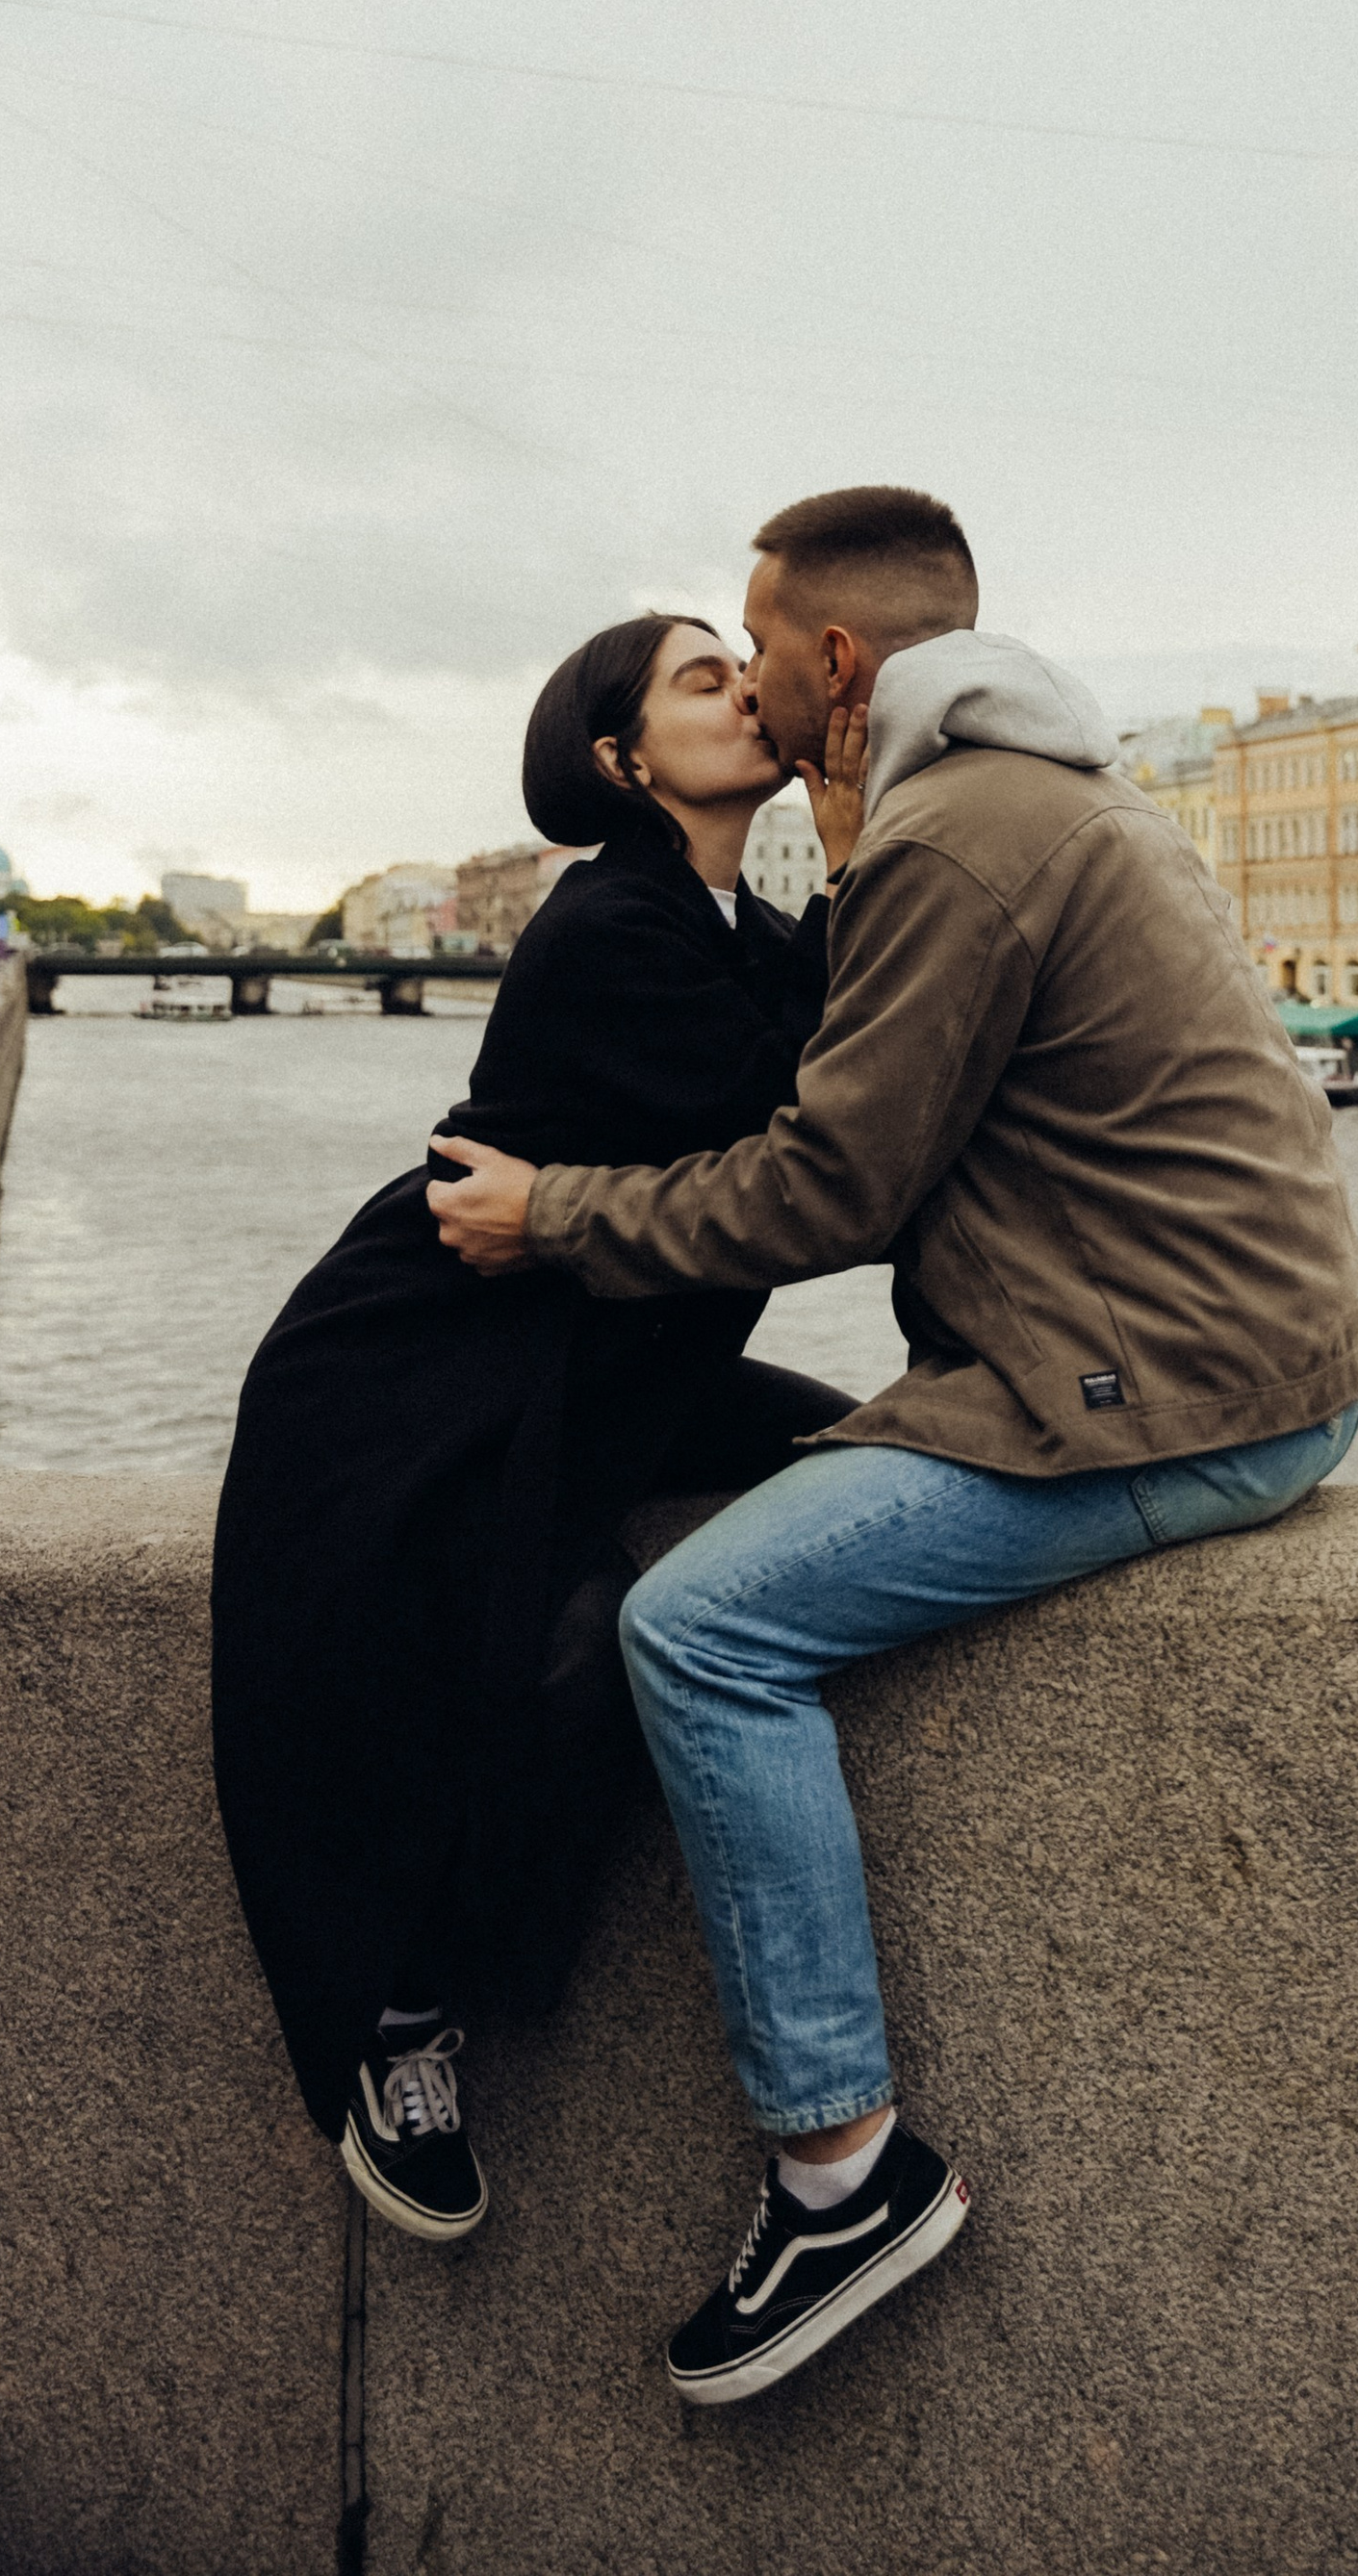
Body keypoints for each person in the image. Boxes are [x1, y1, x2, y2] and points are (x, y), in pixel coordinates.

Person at [430, 485, 1358, 2407]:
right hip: (1235, 1359)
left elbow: (828, 1189)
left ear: (840, 662)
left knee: (698, 1628)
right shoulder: (1042, 792)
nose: (754, 690)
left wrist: (555, 1222)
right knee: (751, 1511)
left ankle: (838, 2170)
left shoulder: (954, 840)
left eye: (762, 652)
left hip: (1160, 1393)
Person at [212, 612, 869, 2244]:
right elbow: (823, 1111)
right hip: (431, 1363)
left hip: (605, 1361)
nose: (745, 689)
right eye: (703, 680)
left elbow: (850, 1011)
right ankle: (405, 2013)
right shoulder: (611, 927)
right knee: (559, 1636)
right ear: (623, 760)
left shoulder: (728, 916)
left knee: (862, 1460)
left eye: (745, 665)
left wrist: (853, 822)